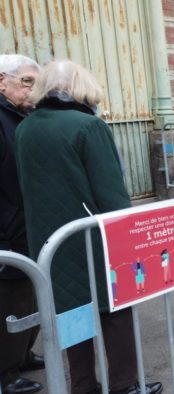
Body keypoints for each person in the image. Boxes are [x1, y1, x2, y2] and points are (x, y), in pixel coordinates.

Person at [14, 60, 162, 394]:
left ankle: (83, 385)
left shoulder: (25, 127)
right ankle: (125, 384)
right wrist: (131, 236)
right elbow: (111, 192)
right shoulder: (87, 126)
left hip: (48, 238)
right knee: (114, 308)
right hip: (93, 237)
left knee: (70, 311)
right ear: (81, 86)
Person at [0, 54, 44, 394]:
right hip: (8, 231)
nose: (32, 89)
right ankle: (7, 371)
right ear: (2, 80)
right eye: (26, 81)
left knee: (31, 297)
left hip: (26, 226)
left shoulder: (20, 116)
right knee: (11, 303)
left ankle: (24, 353)